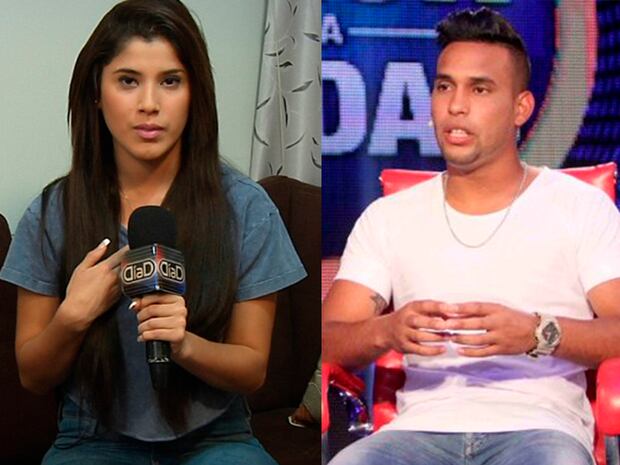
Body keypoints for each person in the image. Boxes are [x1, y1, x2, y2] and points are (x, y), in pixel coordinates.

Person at [0, 1, 307, 464]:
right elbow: (33, 376)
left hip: (216, 437)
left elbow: (251, 370)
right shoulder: (53, 213)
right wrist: (72, 316)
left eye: (170, 81)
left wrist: (184, 345)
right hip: (92, 437)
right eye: (128, 81)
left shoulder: (246, 207)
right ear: (96, 92)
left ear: (195, 93)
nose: (149, 103)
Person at [323, 7, 620, 465]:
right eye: (445, 86)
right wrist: (387, 330)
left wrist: (537, 333)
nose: (456, 106)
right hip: (417, 431)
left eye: (479, 89)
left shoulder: (581, 207)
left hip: (540, 430)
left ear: (521, 108)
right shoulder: (389, 217)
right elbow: (328, 338)